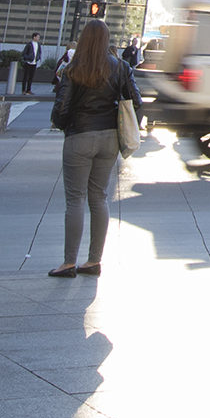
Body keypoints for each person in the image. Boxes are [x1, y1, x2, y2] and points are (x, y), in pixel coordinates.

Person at [47, 18, 130, 277]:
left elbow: (61, 108)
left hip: (80, 135)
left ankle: (69, 262)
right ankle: (94, 261)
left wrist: (65, 125)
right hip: (109, 138)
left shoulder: (74, 69)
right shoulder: (120, 67)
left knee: (75, 199)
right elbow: (134, 101)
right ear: (106, 40)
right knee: (99, 197)